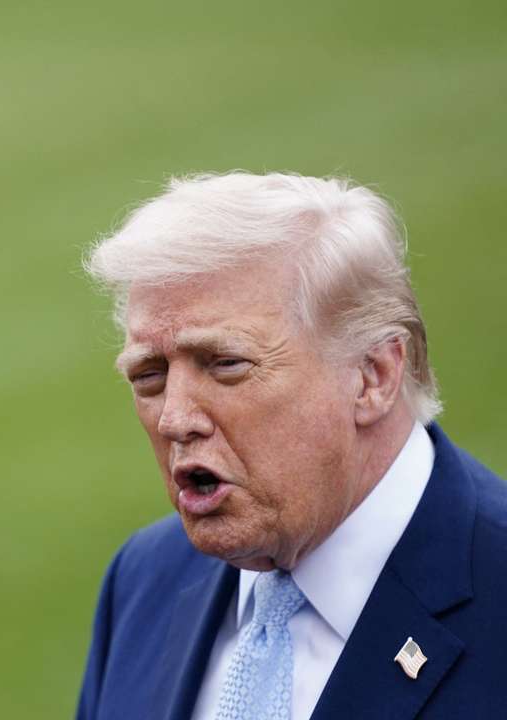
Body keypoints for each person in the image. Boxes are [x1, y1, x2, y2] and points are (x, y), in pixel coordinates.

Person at [74, 172, 507, 720]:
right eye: (149, 375)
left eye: (226, 364)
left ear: (373, 376)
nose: (176, 419)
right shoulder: (144, 581)